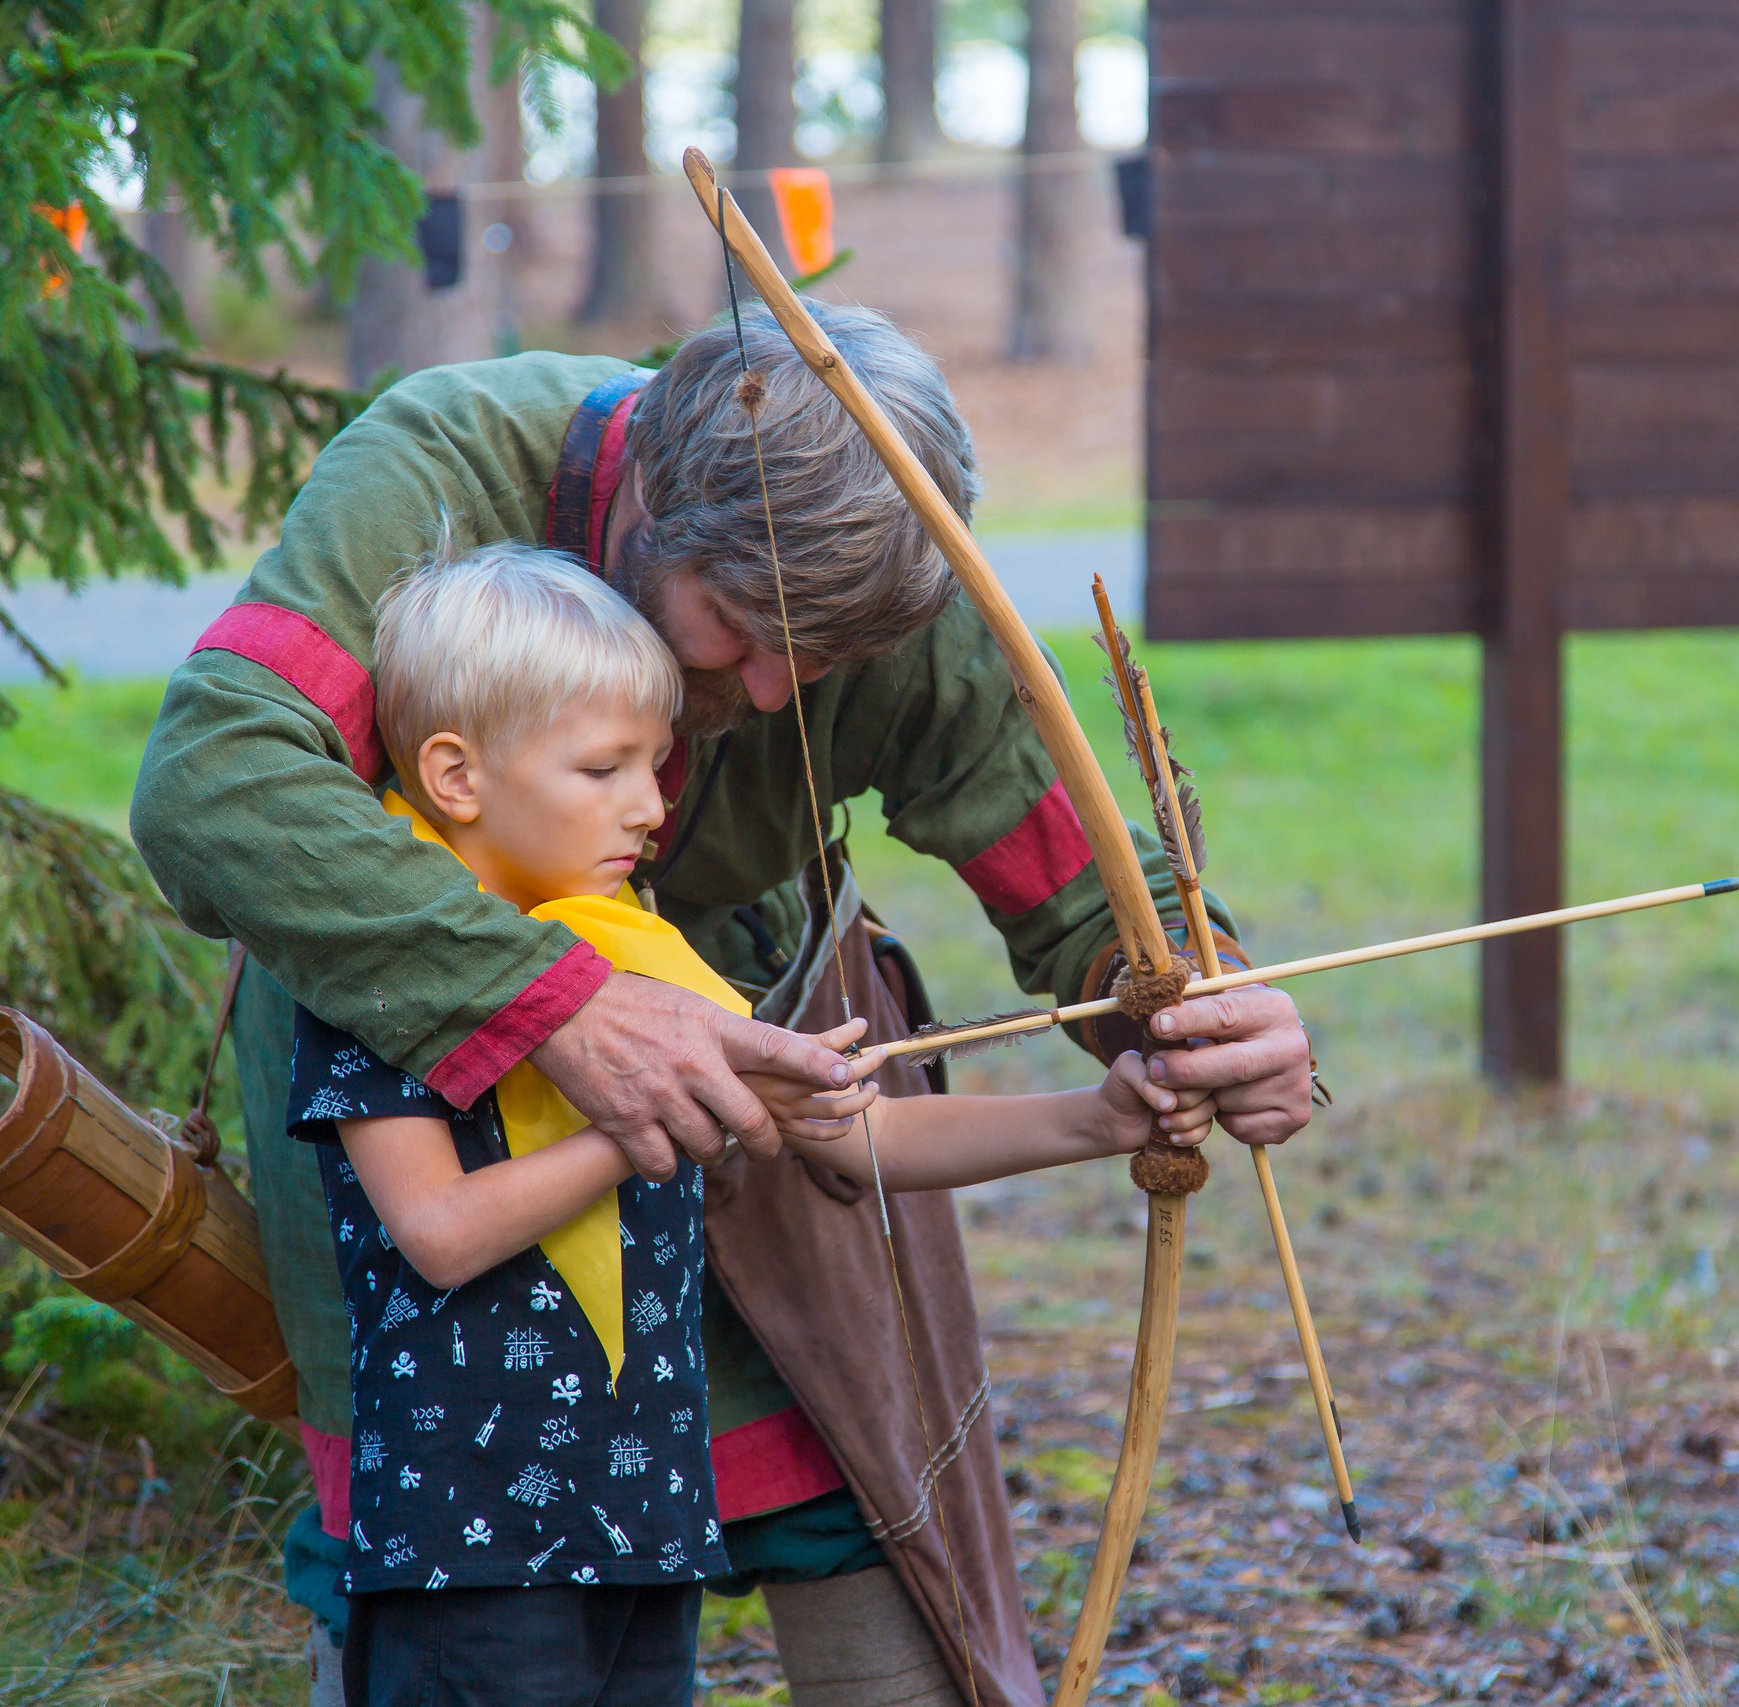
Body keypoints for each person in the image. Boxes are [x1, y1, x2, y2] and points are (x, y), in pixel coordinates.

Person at [131, 302, 1318, 1707]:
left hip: (744, 1014)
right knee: (438, 1572)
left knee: (847, 1487)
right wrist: (556, 1004)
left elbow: (1097, 901)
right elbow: (213, 782)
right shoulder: (445, 461)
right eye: (739, 627)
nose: (765, 690)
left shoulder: (887, 577)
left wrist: (1198, 1016)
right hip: (409, 1015)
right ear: (650, 495)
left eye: (818, 660)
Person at [295, 542, 1215, 1707]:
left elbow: (856, 1133)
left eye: (655, 763)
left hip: (644, 1524)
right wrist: (632, 1126)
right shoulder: (384, 973)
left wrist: (1098, 1118)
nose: (649, 806)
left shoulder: (642, 957)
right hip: (466, 1547)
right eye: (603, 768)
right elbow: (438, 1231)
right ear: (456, 776)